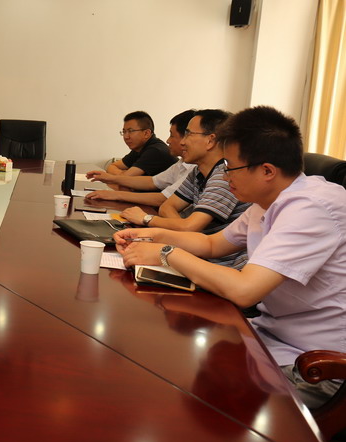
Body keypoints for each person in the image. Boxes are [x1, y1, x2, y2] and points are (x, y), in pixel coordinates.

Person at [114, 105, 346, 408]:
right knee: (163, 363)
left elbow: (244, 290)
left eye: (231, 167)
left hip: (317, 366)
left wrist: (167, 254)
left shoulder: (311, 208)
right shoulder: (267, 200)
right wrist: (152, 235)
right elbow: (212, 244)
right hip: (271, 339)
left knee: (177, 391)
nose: (224, 176)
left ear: (267, 171)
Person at [120, 109, 248, 268]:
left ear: (210, 140)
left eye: (188, 134)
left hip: (221, 265)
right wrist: (185, 232)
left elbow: (190, 227)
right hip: (199, 254)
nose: (182, 142)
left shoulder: (224, 176)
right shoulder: (198, 171)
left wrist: (146, 219)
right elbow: (167, 207)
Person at [85, 110, 197, 207]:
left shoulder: (157, 151)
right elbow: (152, 181)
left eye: (172, 135)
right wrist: (110, 178)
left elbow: (164, 199)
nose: (168, 141)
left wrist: (116, 193)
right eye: (124, 132)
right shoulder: (182, 163)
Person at [103, 111, 178, 177]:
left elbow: (125, 178)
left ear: (146, 133)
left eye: (130, 131)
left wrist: (123, 175)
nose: (126, 137)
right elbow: (112, 166)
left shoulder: (155, 150)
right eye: (124, 132)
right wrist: (122, 174)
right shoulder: (139, 148)